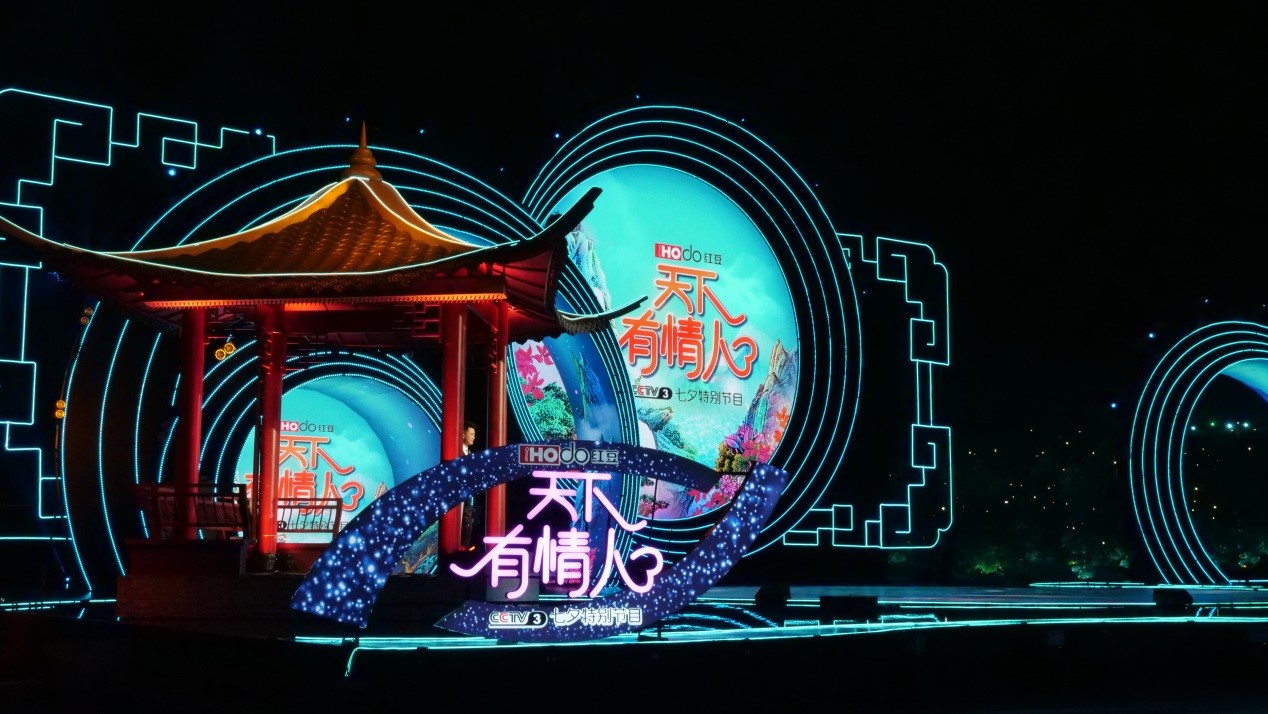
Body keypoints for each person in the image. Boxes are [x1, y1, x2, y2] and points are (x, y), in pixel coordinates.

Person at [460, 420, 478, 551]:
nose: (474, 437)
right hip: (458, 493)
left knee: (467, 519)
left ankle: (465, 547)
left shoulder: (470, 454)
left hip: (467, 494)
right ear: (463, 434)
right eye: (471, 434)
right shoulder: (455, 451)